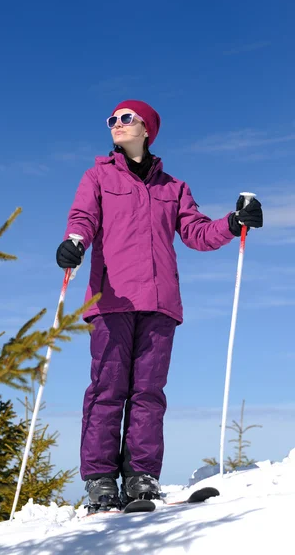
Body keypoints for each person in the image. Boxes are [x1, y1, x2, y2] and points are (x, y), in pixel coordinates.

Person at [56, 100, 263, 512]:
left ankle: (141, 478)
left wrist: (233, 223)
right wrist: (75, 242)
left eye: (126, 118)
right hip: (111, 299)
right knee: (106, 390)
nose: (116, 124)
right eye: (112, 119)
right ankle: (100, 480)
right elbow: (83, 217)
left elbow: (196, 232)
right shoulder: (97, 175)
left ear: (147, 129)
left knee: (149, 392)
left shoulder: (174, 187)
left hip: (160, 302)